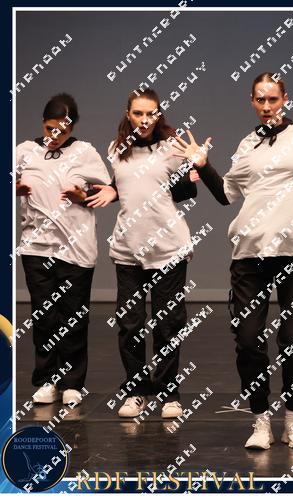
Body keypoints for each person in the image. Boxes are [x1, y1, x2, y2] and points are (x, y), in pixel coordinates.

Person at [185, 72, 293, 449]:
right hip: (249, 257)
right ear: (252, 102)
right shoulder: (247, 144)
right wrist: (203, 164)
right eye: (260, 99)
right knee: (248, 341)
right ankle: (260, 421)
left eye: (273, 99)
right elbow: (226, 195)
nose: (267, 106)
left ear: (285, 99)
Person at [85, 88, 205, 419]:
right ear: (128, 114)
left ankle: (169, 394)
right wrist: (111, 189)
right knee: (130, 325)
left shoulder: (172, 148)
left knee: (168, 324)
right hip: (128, 249)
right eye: (138, 113)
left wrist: (191, 171)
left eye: (150, 113)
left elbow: (183, 191)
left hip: (168, 248)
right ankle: (137, 391)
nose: (144, 119)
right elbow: (125, 185)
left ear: (158, 115)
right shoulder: (116, 149)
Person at [16, 93, 111, 406]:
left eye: (63, 131)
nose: (55, 136)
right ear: (42, 123)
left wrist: (82, 195)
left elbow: (109, 189)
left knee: (73, 317)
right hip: (36, 247)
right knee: (44, 316)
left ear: (72, 128)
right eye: (50, 129)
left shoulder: (84, 152)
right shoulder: (25, 151)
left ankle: (72, 382)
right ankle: (46, 380)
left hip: (76, 248)